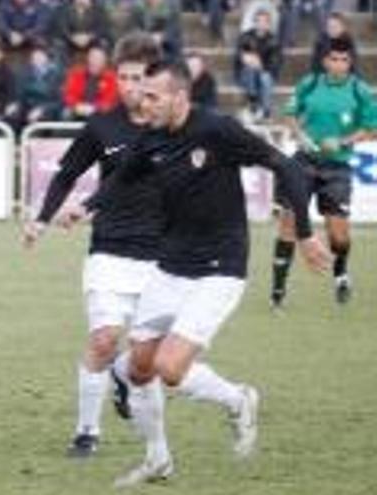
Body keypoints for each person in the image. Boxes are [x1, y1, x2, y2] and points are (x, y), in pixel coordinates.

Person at [105, 60, 330, 486]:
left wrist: (303, 233)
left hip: (220, 268)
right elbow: (119, 181)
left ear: (179, 97)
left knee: (169, 369)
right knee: (138, 368)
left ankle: (238, 399)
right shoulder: (151, 139)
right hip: (170, 265)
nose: (142, 100)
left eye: (152, 94)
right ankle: (158, 461)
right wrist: (83, 207)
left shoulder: (216, 130)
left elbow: (288, 167)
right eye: (141, 92)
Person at [22, 32, 162, 459]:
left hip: (162, 259)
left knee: (145, 361)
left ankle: (121, 377)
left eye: (138, 77)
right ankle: (87, 432)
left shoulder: (175, 128)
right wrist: (41, 220)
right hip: (109, 251)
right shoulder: (102, 126)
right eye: (123, 77)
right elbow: (65, 175)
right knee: (103, 340)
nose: (129, 86)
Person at [271, 36, 377, 307]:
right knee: (288, 222)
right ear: (324, 61)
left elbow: (372, 128)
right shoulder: (311, 83)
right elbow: (291, 114)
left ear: (350, 62)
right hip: (305, 161)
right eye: (334, 59)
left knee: (338, 235)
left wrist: (343, 141)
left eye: (344, 60)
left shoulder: (360, 91)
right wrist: (301, 135)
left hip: (337, 166)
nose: (339, 64)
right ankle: (277, 291)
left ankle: (340, 274)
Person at [234, 8, 281, 122]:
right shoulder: (245, 37)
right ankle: (253, 101)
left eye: (264, 21)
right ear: (254, 22)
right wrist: (247, 59)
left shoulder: (274, 40)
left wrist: (260, 65)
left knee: (265, 78)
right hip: (245, 75)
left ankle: (266, 110)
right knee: (250, 69)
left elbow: (274, 64)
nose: (261, 24)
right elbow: (239, 57)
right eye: (258, 21)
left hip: (266, 75)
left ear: (269, 24)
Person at [62, 41, 119, 121]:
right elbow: (68, 94)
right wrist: (77, 106)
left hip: (101, 112)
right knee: (65, 113)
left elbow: (111, 99)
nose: (94, 61)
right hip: (78, 110)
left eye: (98, 58)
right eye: (92, 57)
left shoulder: (111, 77)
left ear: (104, 60)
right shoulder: (75, 73)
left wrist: (94, 107)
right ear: (88, 58)